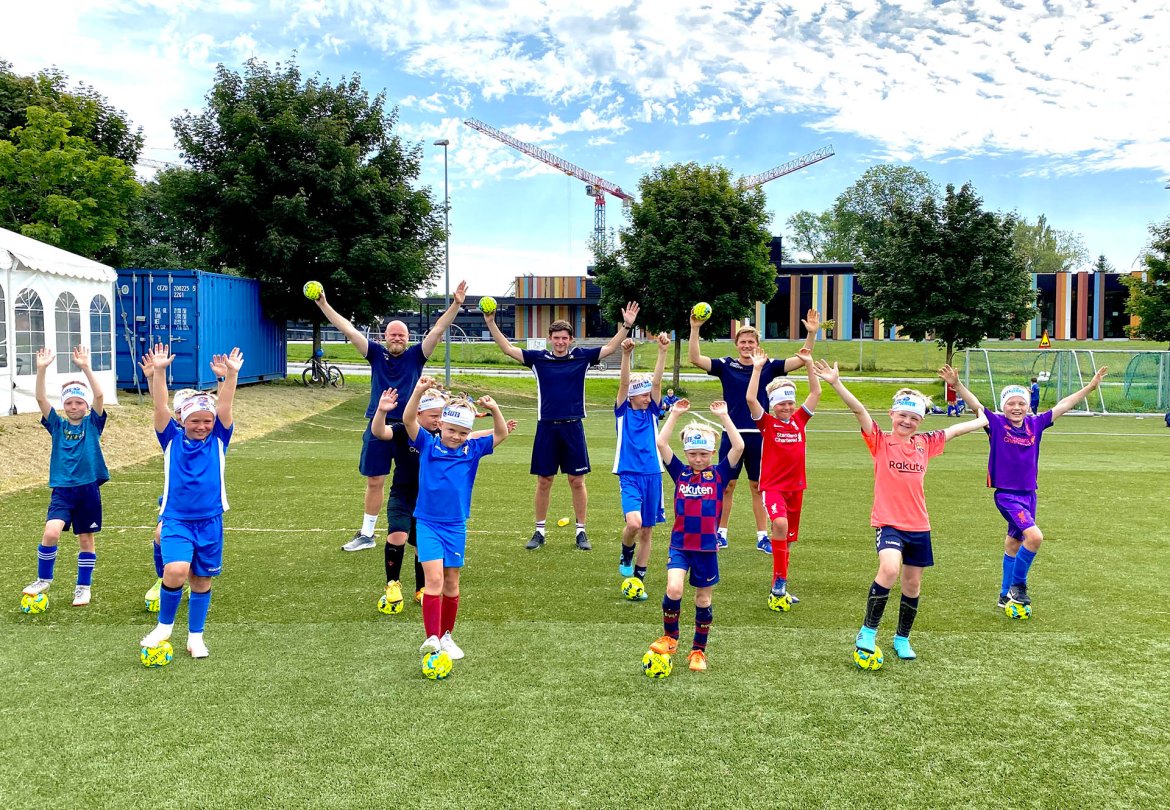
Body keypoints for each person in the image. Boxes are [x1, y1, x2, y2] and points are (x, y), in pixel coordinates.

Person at [814, 360, 988, 661]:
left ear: (920, 421)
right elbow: (859, 411)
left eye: (914, 417)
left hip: (919, 525)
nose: (907, 421)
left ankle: (902, 638)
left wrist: (983, 420)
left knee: (912, 583)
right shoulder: (880, 441)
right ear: (892, 414)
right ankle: (868, 631)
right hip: (889, 523)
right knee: (890, 569)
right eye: (903, 415)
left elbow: (956, 430)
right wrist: (835, 383)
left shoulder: (925, 443)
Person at [940, 364, 1108, 615]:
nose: (1016, 408)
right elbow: (975, 404)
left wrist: (1090, 387)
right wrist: (957, 385)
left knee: (1014, 542)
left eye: (1021, 403)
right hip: (1007, 495)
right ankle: (1018, 586)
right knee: (1035, 537)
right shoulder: (995, 423)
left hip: (1030, 494)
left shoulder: (1035, 424)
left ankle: (1003, 594)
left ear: (1028, 405)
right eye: (1011, 403)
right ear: (1003, 405)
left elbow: (1063, 405)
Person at [313, 281, 468, 552]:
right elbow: (347, 329)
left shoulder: (416, 355)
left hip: (411, 427)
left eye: (401, 335)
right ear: (385, 336)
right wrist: (323, 303)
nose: (397, 338)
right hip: (379, 423)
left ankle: (425, 529)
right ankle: (367, 534)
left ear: (408, 338)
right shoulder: (375, 354)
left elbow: (439, 328)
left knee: (418, 480)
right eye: (392, 334)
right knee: (375, 479)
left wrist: (455, 304)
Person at [484, 301, 640, 551]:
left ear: (571, 339)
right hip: (546, 427)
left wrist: (627, 326)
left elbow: (611, 347)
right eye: (556, 338)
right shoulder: (537, 359)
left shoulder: (582, 357)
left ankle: (581, 532)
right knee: (544, 480)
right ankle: (539, 531)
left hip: (573, 427)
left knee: (577, 480)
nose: (560, 342)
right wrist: (491, 322)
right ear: (549, 339)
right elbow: (507, 348)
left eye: (564, 338)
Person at [371, 385, 517, 611]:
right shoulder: (418, 437)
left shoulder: (451, 440)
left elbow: (470, 436)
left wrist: (494, 423)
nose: (437, 421)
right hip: (404, 496)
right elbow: (381, 431)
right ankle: (392, 583)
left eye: (441, 416)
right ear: (422, 414)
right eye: (434, 416)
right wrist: (383, 410)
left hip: (430, 505)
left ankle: (422, 589)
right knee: (398, 534)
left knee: (422, 547)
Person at [140, 343, 243, 659]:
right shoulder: (170, 439)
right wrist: (158, 372)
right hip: (177, 520)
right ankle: (165, 627)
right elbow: (159, 407)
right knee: (175, 571)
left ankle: (195, 637)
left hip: (211, 521)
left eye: (206, 421)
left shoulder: (219, 439)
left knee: (201, 580)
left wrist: (231, 377)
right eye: (194, 420)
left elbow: (224, 407)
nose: (201, 426)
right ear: (182, 419)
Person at [688, 310, 820, 551]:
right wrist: (695, 328)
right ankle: (720, 533)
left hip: (762, 436)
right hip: (733, 434)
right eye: (743, 341)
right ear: (736, 344)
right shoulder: (726, 365)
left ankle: (762, 536)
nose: (747, 345)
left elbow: (801, 359)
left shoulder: (768, 366)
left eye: (751, 341)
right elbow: (695, 358)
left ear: (758, 345)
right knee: (726, 485)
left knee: (758, 487)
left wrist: (811, 334)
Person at [402, 376, 510, 661]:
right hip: (427, 523)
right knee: (434, 580)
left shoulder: (471, 450)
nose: (456, 436)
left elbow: (500, 435)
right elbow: (408, 418)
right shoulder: (427, 444)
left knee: (452, 582)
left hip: (455, 526)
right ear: (440, 426)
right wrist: (419, 391)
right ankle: (432, 638)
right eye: (451, 430)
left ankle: (447, 635)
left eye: (463, 432)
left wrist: (496, 410)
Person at [649, 399, 743, 672]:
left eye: (703, 454)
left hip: (706, 549)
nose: (698, 459)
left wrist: (724, 416)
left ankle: (698, 652)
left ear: (712, 452)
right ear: (687, 453)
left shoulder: (719, 475)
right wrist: (675, 414)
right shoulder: (680, 473)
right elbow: (662, 443)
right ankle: (670, 637)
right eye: (693, 454)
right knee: (674, 589)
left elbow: (739, 447)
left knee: (703, 600)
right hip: (680, 545)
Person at [22, 346, 109, 608]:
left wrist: (85, 367)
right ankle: (43, 579)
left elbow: (101, 394)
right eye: (69, 403)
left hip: (88, 490)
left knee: (86, 539)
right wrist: (41, 370)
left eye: (79, 402)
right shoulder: (57, 425)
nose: (73, 407)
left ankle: (83, 587)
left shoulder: (93, 423)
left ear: (85, 405)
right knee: (51, 532)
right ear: (63, 405)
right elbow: (40, 399)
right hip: (63, 490)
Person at [746, 347, 821, 610]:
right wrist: (757, 369)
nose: (787, 407)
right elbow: (750, 399)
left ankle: (781, 586)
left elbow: (816, 393)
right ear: (773, 406)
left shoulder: (800, 420)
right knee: (778, 524)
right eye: (781, 404)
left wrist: (809, 363)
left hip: (796, 488)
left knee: (787, 539)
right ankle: (779, 581)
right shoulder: (766, 423)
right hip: (773, 487)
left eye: (790, 402)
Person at [613, 333, 670, 597]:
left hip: (653, 474)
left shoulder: (651, 412)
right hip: (629, 475)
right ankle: (626, 554)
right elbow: (624, 383)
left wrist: (662, 352)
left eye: (649, 395)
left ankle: (639, 578)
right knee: (633, 524)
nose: (648, 398)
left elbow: (657, 382)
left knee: (647, 530)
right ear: (633, 397)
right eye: (643, 395)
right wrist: (625, 355)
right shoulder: (623, 413)